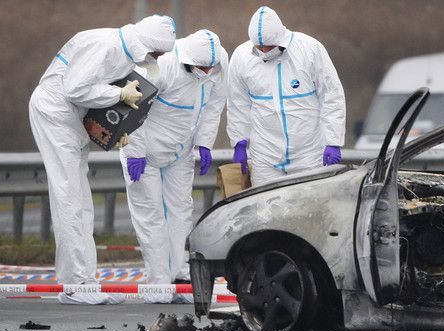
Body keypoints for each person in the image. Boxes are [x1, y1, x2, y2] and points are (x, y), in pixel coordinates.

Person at [29, 16, 176, 304]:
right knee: (70, 198)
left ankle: (80, 281)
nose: (156, 59)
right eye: (157, 53)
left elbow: (87, 95)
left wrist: (110, 131)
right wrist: (118, 93)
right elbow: (75, 90)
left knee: (80, 200)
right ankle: (76, 285)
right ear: (147, 45)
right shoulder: (106, 47)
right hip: (54, 115)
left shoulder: (120, 51)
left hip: (71, 119)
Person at [121, 30, 228, 303]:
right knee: (151, 214)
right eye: (200, 68)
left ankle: (179, 272)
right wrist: (134, 152)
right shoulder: (161, 66)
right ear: (187, 60)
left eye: (209, 68)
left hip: (181, 151)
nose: (205, 72)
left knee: (181, 210)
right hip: (144, 151)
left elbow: (215, 104)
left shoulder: (218, 63)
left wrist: (205, 143)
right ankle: (158, 281)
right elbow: (133, 107)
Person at [227, 6, 346, 187]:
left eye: (269, 47)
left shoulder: (309, 50)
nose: (265, 51)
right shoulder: (241, 57)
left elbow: (332, 95)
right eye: (260, 47)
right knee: (265, 209)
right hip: (266, 156)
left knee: (310, 208)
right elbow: (238, 103)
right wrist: (239, 141)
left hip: (308, 154)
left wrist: (333, 141)